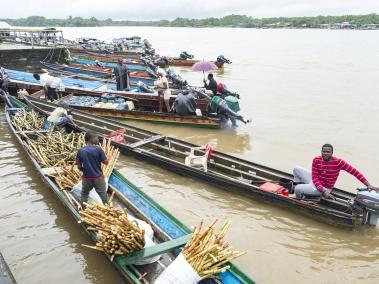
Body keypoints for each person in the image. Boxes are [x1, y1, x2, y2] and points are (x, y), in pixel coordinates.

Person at [293, 144, 378, 199]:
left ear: (332, 153)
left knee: (298, 189)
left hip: (325, 188)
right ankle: (305, 189)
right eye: (324, 151)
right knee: (296, 169)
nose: (326, 153)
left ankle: (300, 200)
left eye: (328, 152)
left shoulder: (338, 162)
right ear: (321, 152)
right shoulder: (316, 160)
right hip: (316, 183)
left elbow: (355, 172)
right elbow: (314, 177)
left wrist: (368, 185)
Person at [76, 131, 109, 205]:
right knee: (103, 195)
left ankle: (83, 209)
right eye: (97, 137)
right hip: (98, 177)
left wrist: (85, 171)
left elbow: (79, 167)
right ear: (91, 138)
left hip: (87, 178)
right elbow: (106, 162)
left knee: (84, 194)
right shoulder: (98, 149)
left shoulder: (81, 151)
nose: (98, 139)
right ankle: (108, 209)